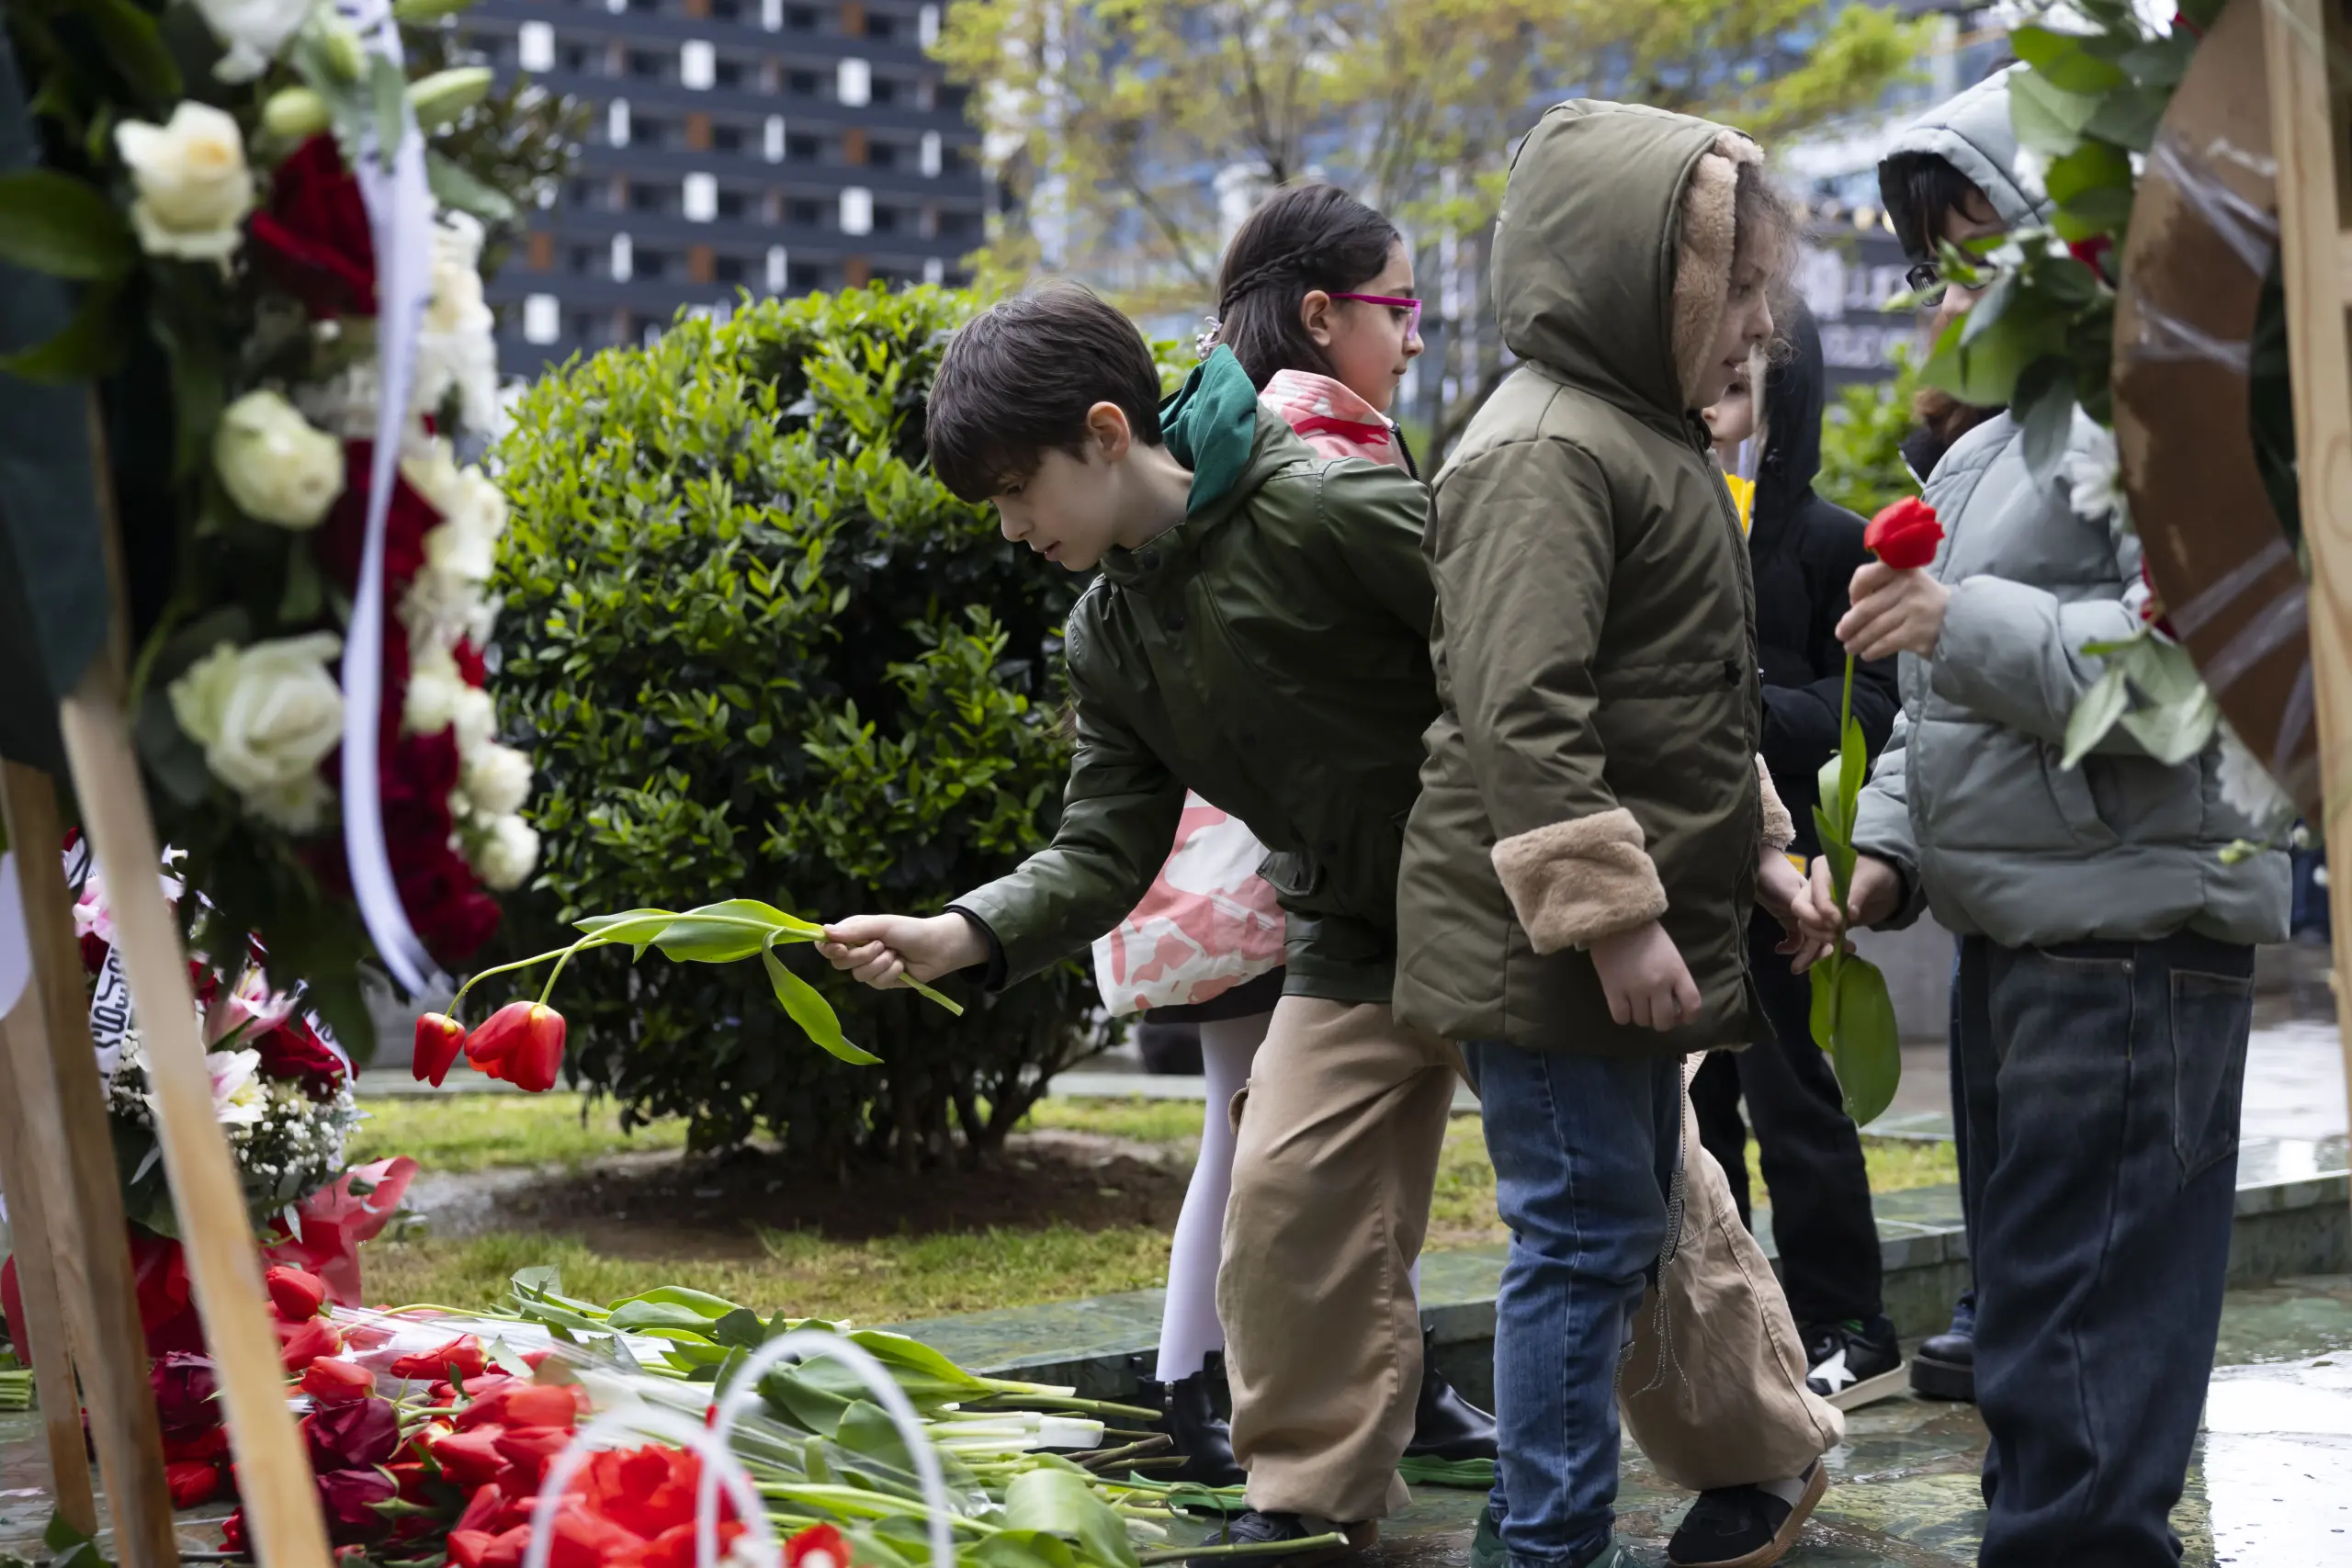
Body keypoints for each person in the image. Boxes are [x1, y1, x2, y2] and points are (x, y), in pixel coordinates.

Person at [825, 276, 1843, 1568]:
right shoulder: (1110, 634)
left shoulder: (1329, 505)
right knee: (1289, 1194)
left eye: (1018, 488)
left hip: (1508, 906)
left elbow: (1546, 650)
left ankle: (1764, 1451)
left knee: (1634, 1207)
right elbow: (1103, 844)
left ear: (1100, 430)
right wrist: (957, 932)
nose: (1013, 526)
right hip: (1348, 934)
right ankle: (1307, 1490)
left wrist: (1753, 834)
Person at [1805, 67, 2291, 1566]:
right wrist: (1885, 850)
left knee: (2083, 1362)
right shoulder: (1990, 438)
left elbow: (2195, 679)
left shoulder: (2178, 413)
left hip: (2128, 944)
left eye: (1975, 232)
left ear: (2057, 227)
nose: (1953, 272)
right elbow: (1927, 682)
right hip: (2027, 934)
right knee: (2031, 1340)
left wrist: (1960, 614)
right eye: (1935, 243)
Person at [1395, 101, 1842, 1568]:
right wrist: (1618, 916)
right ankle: (1546, 1544)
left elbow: (1685, 696)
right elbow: (1526, 713)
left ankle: (1567, 1527)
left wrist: (1761, 848)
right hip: (1555, 954)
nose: (1760, 324)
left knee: (1615, 1230)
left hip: (1600, 939)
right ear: (1636, 279)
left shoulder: (1635, 438)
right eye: (1742, 286)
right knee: (1579, 1243)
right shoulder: (1543, 449)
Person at [1094, 183, 1492, 1483]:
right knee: (1285, 1144)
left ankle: (1233, 1386)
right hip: (1279, 866)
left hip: (1223, 867)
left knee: (1278, 1140)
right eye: (1402, 305)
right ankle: (1224, 1389)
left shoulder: (1232, 432)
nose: (1416, 335)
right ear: (1322, 314)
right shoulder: (1323, 446)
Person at [1689, 299, 1906, 1409]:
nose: (1716, 411)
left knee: (1795, 1099)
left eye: (1740, 393)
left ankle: (1850, 1325)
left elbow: (1871, 695)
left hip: (1789, 871)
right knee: (1697, 1113)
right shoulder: (1672, 524)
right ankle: (1732, 1328)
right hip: (1690, 864)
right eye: (1707, 385)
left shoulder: (1831, 539)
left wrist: (1752, 710)